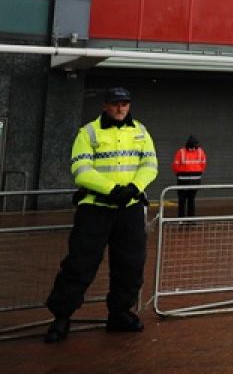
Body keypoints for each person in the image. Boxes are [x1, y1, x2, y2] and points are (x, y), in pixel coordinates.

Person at [44, 87, 157, 343]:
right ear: (105, 105)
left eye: (125, 103)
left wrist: (133, 188)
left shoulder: (140, 131)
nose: (121, 108)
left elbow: (150, 165)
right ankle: (61, 318)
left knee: (130, 265)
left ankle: (119, 314)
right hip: (95, 209)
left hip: (129, 209)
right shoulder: (88, 132)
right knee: (79, 264)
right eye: (116, 104)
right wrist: (110, 190)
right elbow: (81, 169)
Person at [171, 135, 207, 218]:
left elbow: (175, 165)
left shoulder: (181, 152)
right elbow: (203, 164)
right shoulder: (200, 151)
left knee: (182, 200)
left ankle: (181, 219)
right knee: (191, 199)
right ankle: (191, 219)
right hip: (196, 180)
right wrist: (198, 172)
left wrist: (178, 173)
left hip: (182, 180)